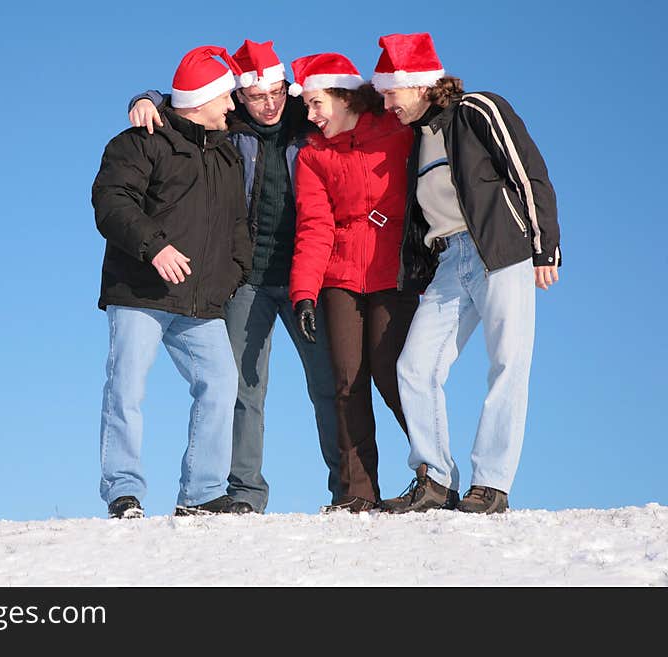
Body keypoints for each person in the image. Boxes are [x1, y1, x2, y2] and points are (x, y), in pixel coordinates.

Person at [128, 40, 341, 514]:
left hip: (308, 276)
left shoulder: (304, 123)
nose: (270, 105)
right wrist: (145, 98)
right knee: (244, 388)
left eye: (278, 93)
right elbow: (184, 100)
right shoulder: (227, 127)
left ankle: (348, 490)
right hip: (247, 281)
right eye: (257, 96)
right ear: (239, 97)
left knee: (327, 383)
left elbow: (350, 98)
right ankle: (244, 493)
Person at [372, 33, 561, 514]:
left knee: (507, 364)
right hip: (451, 261)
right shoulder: (419, 137)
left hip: (500, 250)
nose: (387, 103)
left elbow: (527, 171)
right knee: (414, 367)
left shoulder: (477, 109)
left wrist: (545, 247)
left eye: (391, 92)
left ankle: (491, 483)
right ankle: (434, 478)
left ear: (416, 85)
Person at [91, 46, 252, 519]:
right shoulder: (139, 141)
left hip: (200, 301)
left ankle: (201, 492)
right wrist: (154, 246)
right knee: (127, 388)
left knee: (221, 383)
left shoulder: (226, 154)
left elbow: (237, 226)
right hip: (140, 291)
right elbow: (112, 202)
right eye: (224, 97)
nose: (232, 106)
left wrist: (232, 273)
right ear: (200, 100)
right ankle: (123, 490)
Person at [287, 53, 419, 513]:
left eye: (316, 102)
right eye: (306, 105)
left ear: (343, 96)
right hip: (339, 276)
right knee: (346, 382)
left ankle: (434, 473)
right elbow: (314, 228)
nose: (310, 114)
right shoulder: (312, 155)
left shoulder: (398, 132)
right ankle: (358, 493)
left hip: (392, 272)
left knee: (392, 373)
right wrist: (304, 293)